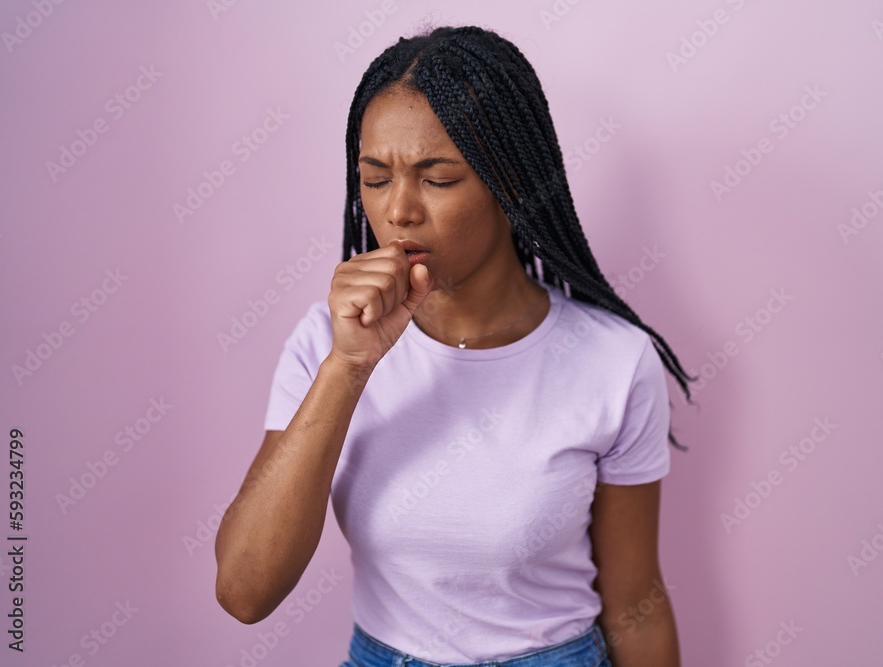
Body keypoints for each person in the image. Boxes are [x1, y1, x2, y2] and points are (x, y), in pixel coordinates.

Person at [215, 24, 694, 667]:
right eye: (376, 177)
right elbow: (245, 591)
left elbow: (636, 601)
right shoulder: (325, 345)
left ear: (513, 185)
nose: (398, 212)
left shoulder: (613, 361)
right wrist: (349, 366)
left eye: (437, 178)